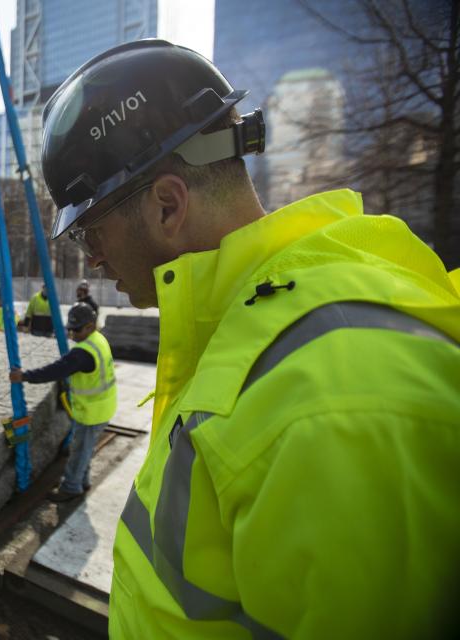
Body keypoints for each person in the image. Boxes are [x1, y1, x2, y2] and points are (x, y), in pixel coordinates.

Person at [41, 38, 460, 638]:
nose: (93, 258)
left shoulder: (330, 399)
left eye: (90, 232)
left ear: (166, 205)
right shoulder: (245, 328)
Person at [9, 303, 116, 501]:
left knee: (78, 452)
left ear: (90, 326)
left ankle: (71, 488)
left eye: (76, 329)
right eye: (70, 329)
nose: (72, 334)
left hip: (91, 412)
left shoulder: (83, 353)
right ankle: (82, 481)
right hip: (102, 407)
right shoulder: (98, 339)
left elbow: (54, 370)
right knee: (85, 448)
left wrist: (24, 376)